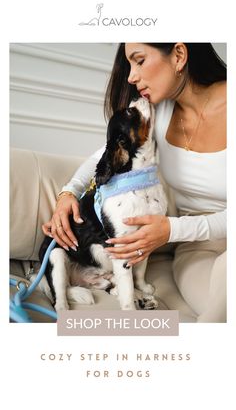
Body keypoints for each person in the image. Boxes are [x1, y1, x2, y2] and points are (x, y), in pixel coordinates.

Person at [42, 43, 226, 322]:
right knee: (216, 316)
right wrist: (68, 193)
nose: (130, 76)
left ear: (179, 55)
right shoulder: (158, 112)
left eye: (139, 61)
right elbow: (101, 156)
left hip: (192, 232)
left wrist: (171, 228)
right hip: (196, 246)